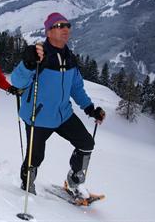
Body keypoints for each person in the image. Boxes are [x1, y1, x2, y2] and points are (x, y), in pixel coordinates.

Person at [11, 12, 106, 199]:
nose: (66, 29)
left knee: (87, 144)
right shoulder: (38, 55)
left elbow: (76, 87)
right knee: (34, 158)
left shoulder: (70, 58)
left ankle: (74, 183)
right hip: (38, 116)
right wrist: (27, 64)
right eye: (60, 26)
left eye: (67, 25)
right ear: (48, 32)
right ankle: (27, 186)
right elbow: (17, 82)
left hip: (63, 114)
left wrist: (90, 109)